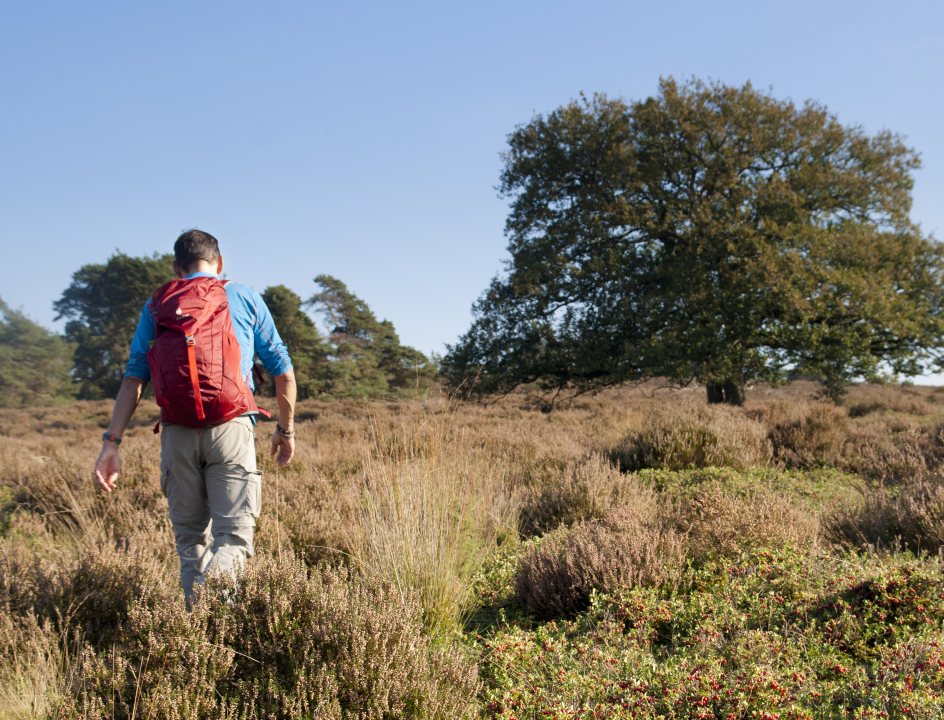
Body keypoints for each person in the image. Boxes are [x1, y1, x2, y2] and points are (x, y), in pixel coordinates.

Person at [93, 229, 297, 603]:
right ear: (220, 264)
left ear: (176, 267)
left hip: (177, 433)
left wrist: (112, 443)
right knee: (232, 539)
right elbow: (282, 371)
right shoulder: (244, 296)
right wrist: (285, 430)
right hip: (232, 426)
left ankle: (194, 629)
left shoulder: (158, 305)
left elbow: (135, 376)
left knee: (190, 542)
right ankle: (215, 622)